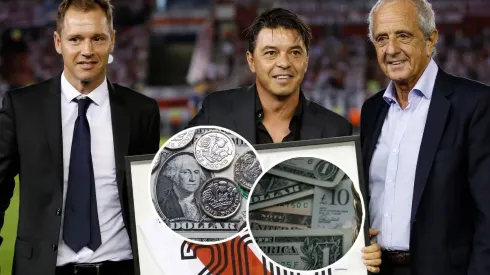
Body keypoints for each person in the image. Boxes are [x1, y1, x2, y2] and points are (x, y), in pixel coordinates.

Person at [188, 7, 382, 273]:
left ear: (306, 61)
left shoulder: (337, 130)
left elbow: (348, 218)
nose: (284, 63)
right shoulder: (216, 111)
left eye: (295, 52)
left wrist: (363, 245)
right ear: (251, 60)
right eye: (270, 53)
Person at [0, 1, 161, 275]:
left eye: (97, 38)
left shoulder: (141, 111)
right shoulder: (22, 107)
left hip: (121, 267)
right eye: (75, 39)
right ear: (57, 42)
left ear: (112, 41)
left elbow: (149, 201)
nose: (87, 51)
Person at [360, 0, 490, 275]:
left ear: (431, 39)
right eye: (382, 38)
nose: (391, 49)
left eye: (403, 35)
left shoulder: (475, 104)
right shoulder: (371, 111)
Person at [157, 154, 206, 221]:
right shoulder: (162, 204)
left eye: (196, 172)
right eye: (186, 172)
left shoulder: (205, 206)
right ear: (174, 175)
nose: (193, 178)